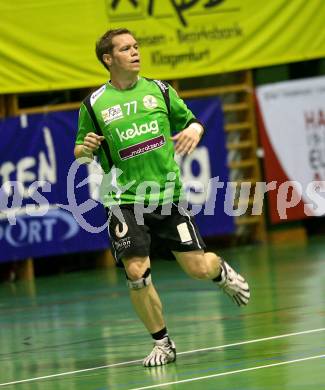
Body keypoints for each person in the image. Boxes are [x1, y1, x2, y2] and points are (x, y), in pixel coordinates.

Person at [74, 28, 250, 368]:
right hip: (124, 201)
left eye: (136, 46)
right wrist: (87, 147)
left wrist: (195, 130)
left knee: (198, 267)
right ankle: (163, 343)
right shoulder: (94, 105)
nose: (135, 52)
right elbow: (79, 151)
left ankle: (221, 273)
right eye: (126, 49)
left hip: (168, 197)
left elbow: (194, 122)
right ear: (108, 59)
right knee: (137, 271)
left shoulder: (159, 90)